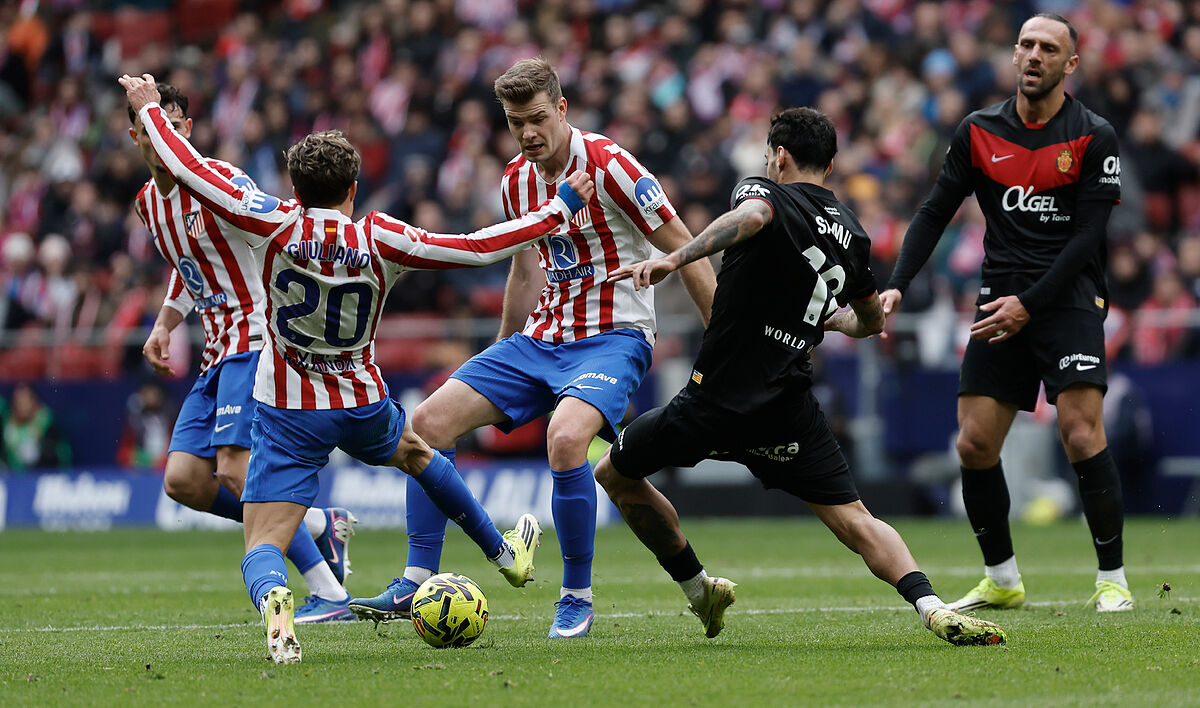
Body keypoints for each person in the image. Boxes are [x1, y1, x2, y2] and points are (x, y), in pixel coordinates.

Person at [122, 72, 594, 664]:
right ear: (354, 186)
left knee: (262, 541)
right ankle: (505, 555)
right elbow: (479, 245)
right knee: (421, 455)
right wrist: (560, 209)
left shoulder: (272, 223)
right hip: (362, 402)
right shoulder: (382, 237)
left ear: (294, 187)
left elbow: (191, 173)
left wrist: (149, 112)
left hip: (290, 410)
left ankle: (276, 602)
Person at [594, 107, 1006, 647]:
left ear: (779, 155)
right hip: (785, 409)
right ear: (831, 165)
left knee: (614, 473)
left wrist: (676, 258)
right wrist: (830, 319)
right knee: (857, 520)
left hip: (712, 403)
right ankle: (931, 606)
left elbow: (753, 219)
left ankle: (700, 591)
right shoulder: (854, 235)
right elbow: (871, 320)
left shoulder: (763, 191)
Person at [351, 57, 718, 639]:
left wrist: (717, 344)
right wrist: (497, 356)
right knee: (424, 425)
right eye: (515, 121)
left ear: (562, 108)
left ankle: (576, 596)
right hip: (538, 341)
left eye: (537, 118)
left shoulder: (613, 166)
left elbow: (687, 247)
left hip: (611, 338)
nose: (527, 132)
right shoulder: (516, 179)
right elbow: (524, 273)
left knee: (567, 439)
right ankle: (416, 577)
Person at [879, 13, 1132, 612]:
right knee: (972, 444)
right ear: (1014, 55)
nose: (1034, 55)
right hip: (1000, 298)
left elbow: (1087, 239)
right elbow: (936, 210)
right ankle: (1002, 578)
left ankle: (1113, 579)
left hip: (1067, 298)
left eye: (1049, 48)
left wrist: (1032, 303)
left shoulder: (1094, 135)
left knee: (1078, 431)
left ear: (1071, 64)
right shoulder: (978, 131)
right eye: (1026, 45)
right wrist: (896, 285)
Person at [128, 82, 359, 624]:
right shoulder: (147, 204)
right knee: (184, 479)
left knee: (237, 469)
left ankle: (329, 592)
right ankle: (321, 526)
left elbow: (278, 228)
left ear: (185, 130)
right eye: (159, 125)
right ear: (138, 135)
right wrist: (165, 321)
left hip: (256, 338)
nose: (173, 134)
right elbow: (191, 265)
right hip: (216, 349)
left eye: (180, 124)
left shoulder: (223, 183)